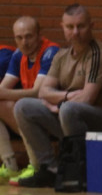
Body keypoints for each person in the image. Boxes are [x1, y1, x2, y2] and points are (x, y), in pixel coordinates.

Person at [12, 5, 102, 188]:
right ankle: (49, 168)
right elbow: (43, 92)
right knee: (23, 107)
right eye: (70, 27)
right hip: (71, 118)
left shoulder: (99, 54)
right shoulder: (61, 56)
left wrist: (58, 103)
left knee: (69, 109)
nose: (75, 32)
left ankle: (78, 169)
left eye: (80, 26)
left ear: (91, 26)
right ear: (62, 27)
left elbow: (87, 99)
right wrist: (65, 97)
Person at [0, 16, 61, 182]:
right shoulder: (18, 55)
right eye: (19, 38)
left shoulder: (51, 52)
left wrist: (3, 93)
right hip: (32, 111)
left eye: (28, 36)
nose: (24, 42)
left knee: (21, 106)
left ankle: (36, 165)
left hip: (55, 114)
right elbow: (4, 87)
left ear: (39, 35)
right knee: (13, 105)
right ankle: (10, 164)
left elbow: (37, 92)